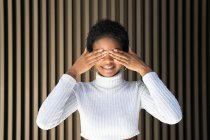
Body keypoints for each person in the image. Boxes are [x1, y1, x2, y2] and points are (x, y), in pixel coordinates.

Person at [36, 19, 182, 140]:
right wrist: (73, 72)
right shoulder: (80, 91)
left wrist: (144, 69)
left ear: (126, 55)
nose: (108, 61)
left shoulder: (137, 90)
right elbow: (44, 122)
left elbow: (173, 117)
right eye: (100, 54)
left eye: (115, 53)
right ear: (89, 56)